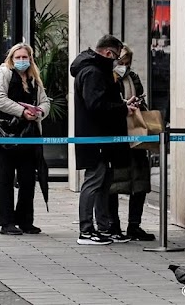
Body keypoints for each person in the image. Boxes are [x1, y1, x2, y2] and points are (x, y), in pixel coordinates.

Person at [72, 34, 137, 246]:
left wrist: (121, 104)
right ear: (108, 53)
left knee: (104, 182)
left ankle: (103, 226)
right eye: (117, 57)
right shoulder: (92, 72)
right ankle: (86, 229)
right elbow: (96, 105)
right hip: (96, 137)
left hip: (102, 137)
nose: (117, 62)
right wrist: (122, 108)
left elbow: (100, 102)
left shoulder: (95, 70)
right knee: (94, 182)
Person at [0, 43, 50, 235]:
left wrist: (38, 113)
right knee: (6, 177)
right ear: (11, 59)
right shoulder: (4, 73)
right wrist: (22, 111)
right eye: (18, 57)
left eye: (25, 57)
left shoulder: (34, 79)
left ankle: (25, 220)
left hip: (29, 136)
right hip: (5, 135)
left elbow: (45, 102)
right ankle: (6, 222)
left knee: (28, 178)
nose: (22, 61)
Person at [99, 44, 155, 241]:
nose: (125, 66)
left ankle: (134, 225)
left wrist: (138, 103)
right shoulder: (105, 78)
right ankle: (113, 224)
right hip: (116, 135)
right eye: (122, 62)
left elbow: (142, 101)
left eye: (128, 62)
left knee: (139, 182)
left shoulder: (134, 77)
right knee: (114, 183)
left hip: (135, 133)